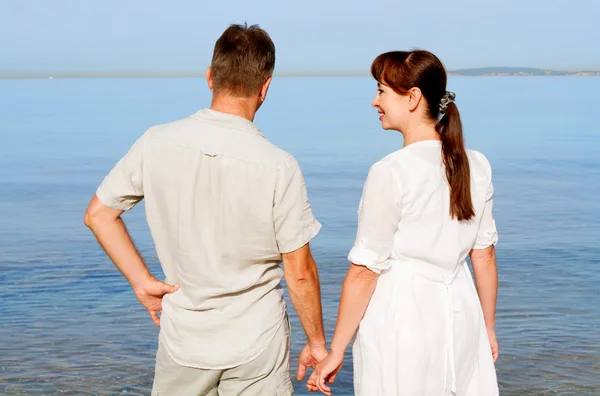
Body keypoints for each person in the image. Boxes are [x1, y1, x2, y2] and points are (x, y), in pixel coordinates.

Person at [84, 23, 328, 395]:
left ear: (210, 76)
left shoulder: (155, 143)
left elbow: (99, 214)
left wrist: (142, 281)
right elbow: (299, 272)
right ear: (265, 88)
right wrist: (316, 344)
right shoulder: (279, 165)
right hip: (257, 338)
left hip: (185, 337)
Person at [308, 50, 500, 396]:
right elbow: (483, 256)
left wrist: (336, 348)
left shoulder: (390, 171)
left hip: (404, 317)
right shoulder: (478, 165)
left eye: (381, 91)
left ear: (413, 98)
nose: (374, 101)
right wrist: (487, 328)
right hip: (461, 313)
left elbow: (366, 271)